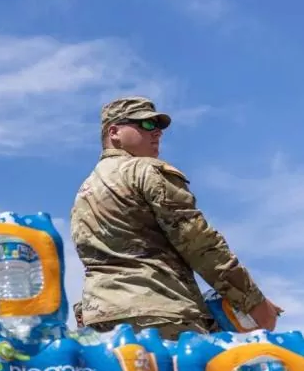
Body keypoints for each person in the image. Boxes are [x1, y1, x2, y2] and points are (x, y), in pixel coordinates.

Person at [70, 96, 282, 340]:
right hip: (160, 318)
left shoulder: (85, 191)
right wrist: (252, 301)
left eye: (157, 126)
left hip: (100, 325)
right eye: (144, 124)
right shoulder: (146, 171)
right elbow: (199, 242)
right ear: (114, 132)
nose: (156, 132)